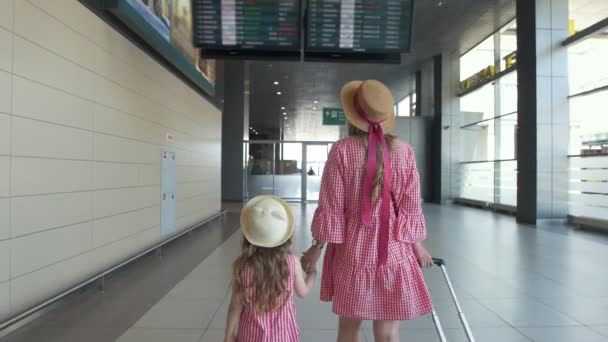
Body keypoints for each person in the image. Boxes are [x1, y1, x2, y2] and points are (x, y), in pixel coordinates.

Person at [301, 80, 434, 342]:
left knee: (349, 329)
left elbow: (332, 206)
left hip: (353, 252)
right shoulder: (404, 152)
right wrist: (416, 245)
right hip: (394, 250)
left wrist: (316, 249)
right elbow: (410, 204)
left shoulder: (342, 151)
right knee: (388, 332)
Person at [225, 196, 317, 342]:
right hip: (283, 336)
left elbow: (235, 306)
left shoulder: (244, 266)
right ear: (284, 236)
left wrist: (229, 336)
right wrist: (312, 273)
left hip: (250, 335)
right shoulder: (292, 263)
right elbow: (303, 292)